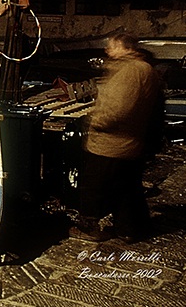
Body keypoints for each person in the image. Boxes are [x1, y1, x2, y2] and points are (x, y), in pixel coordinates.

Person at [70, 33, 164, 243]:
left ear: (126, 48)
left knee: (93, 185)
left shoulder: (131, 70)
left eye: (112, 46)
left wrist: (95, 121)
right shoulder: (143, 68)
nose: (107, 50)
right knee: (127, 187)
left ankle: (88, 228)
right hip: (130, 142)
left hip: (110, 142)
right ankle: (130, 229)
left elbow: (119, 108)